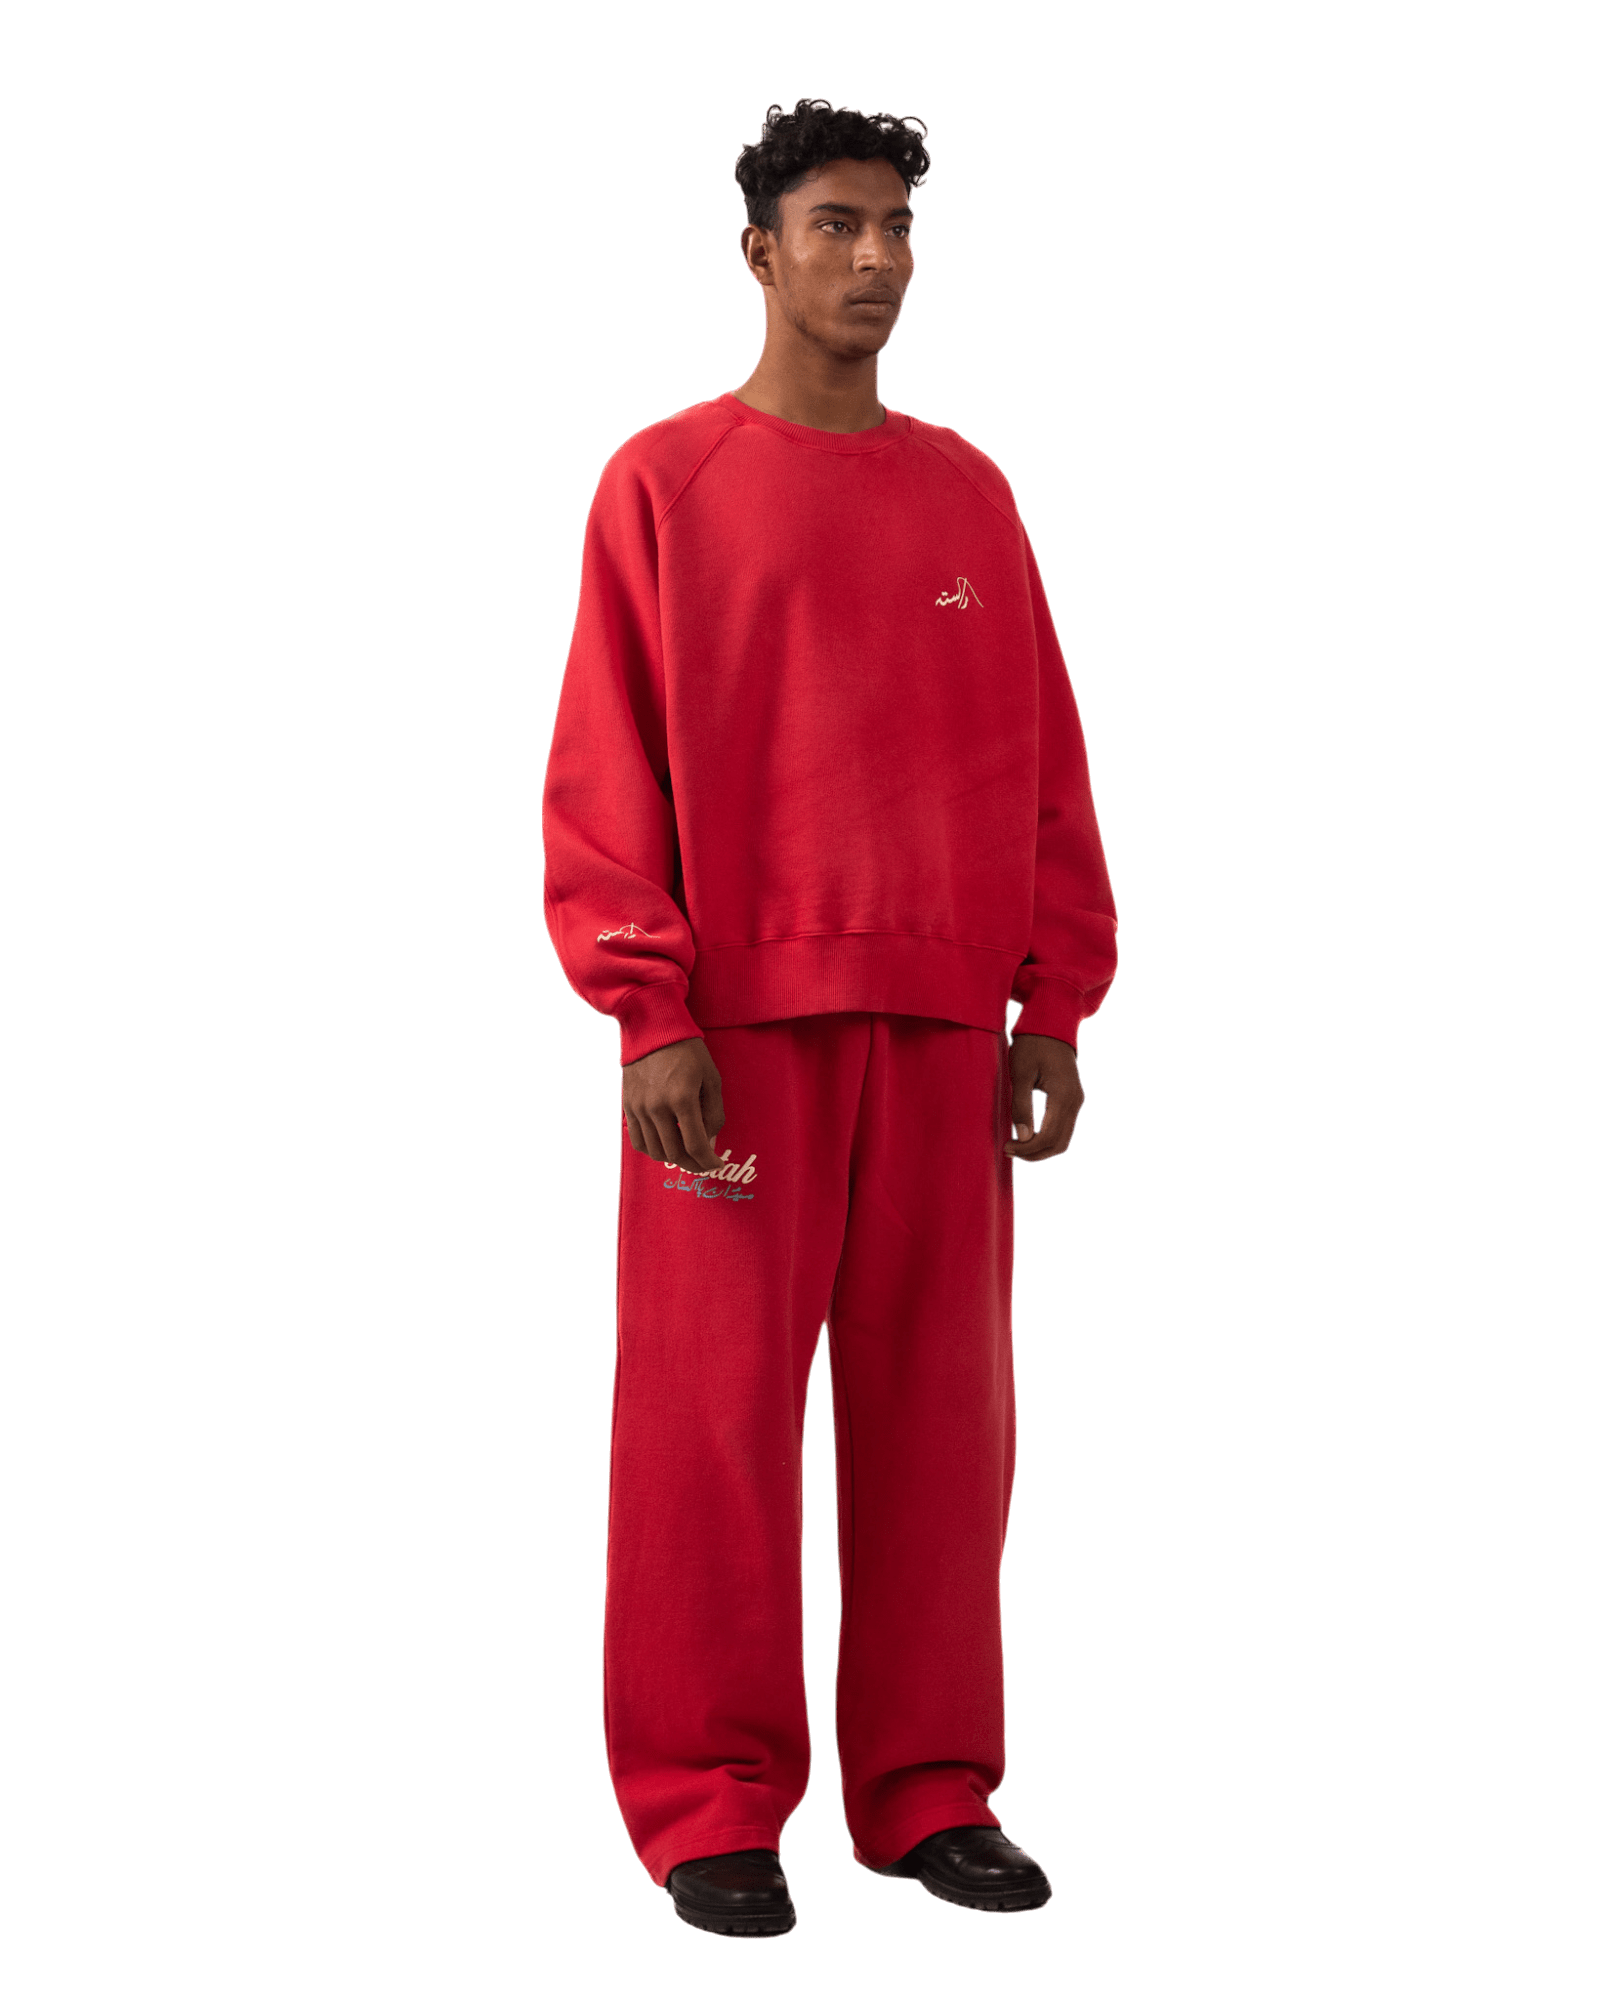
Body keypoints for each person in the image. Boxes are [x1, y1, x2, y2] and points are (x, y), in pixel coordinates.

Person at [541, 97, 1118, 1939]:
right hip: (736, 1042)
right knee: (711, 1427)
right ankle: (709, 1801)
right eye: (837, 226)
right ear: (759, 254)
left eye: (898, 229)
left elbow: (1045, 766)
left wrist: (1054, 995)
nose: (877, 259)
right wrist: (645, 1005)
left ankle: (929, 1789)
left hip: (945, 1029)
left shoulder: (970, 493)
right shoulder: (662, 481)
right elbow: (601, 763)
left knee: (943, 1427)